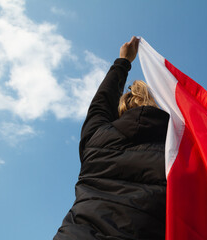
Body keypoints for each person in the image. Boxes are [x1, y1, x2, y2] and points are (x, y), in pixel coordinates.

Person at [53, 37, 169, 240]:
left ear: (119, 111)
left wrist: (123, 61)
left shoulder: (97, 137)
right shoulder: (175, 153)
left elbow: (101, 102)